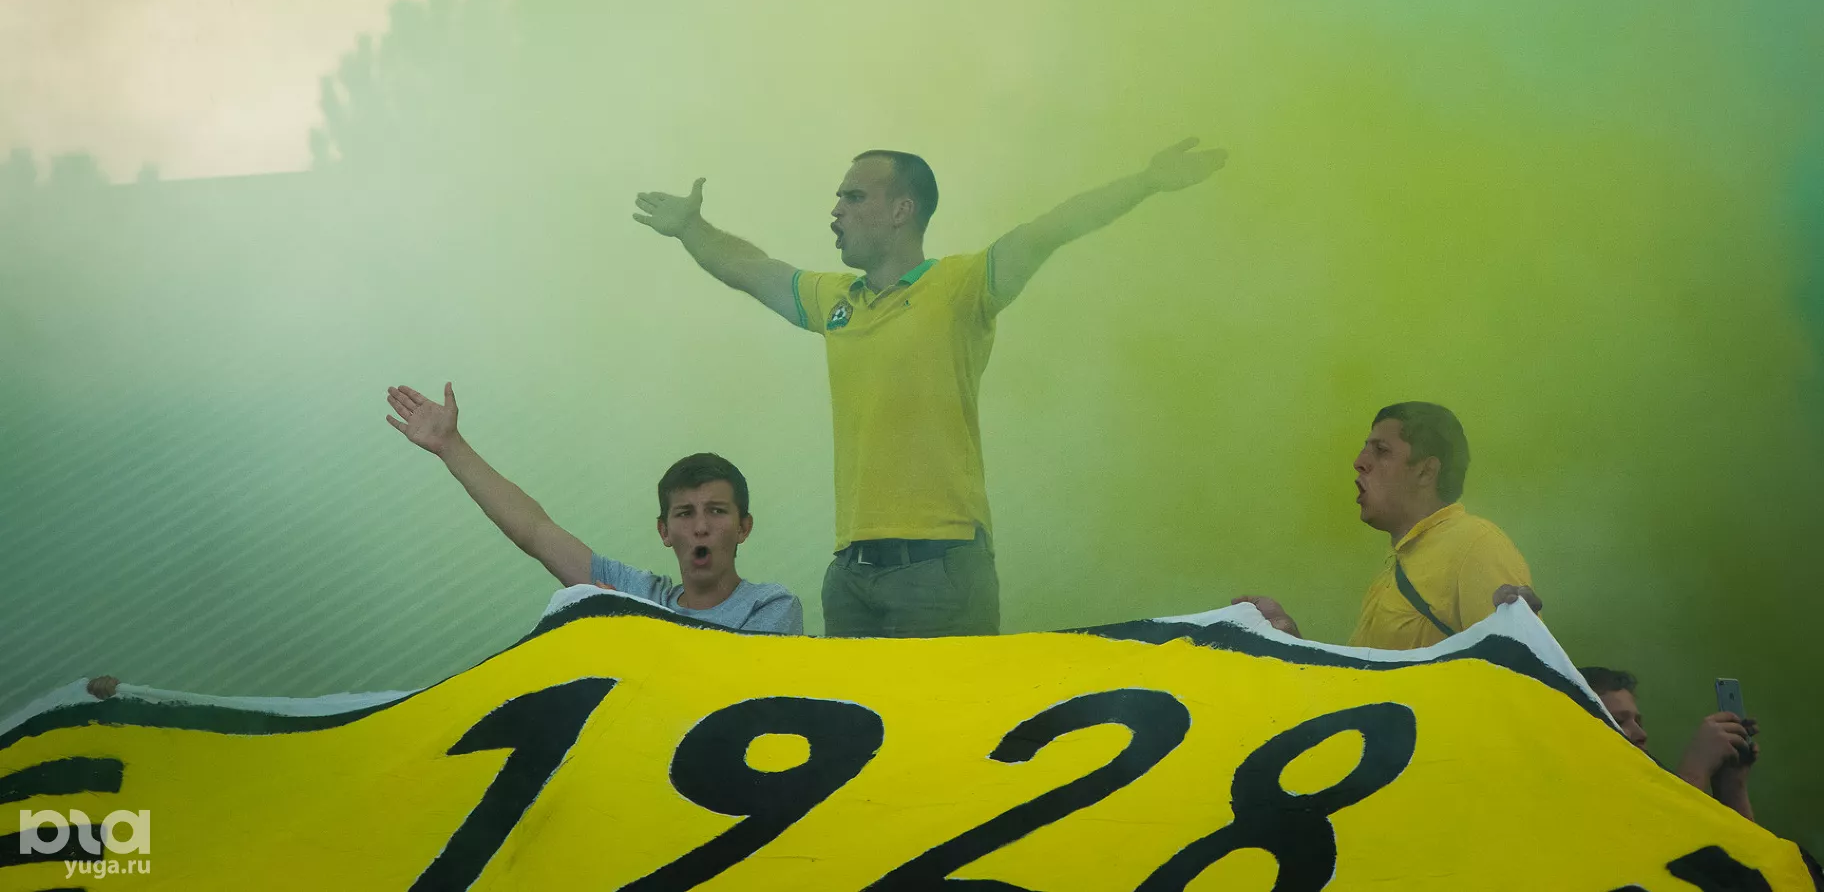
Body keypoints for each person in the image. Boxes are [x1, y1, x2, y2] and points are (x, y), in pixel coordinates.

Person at [633, 139, 1227, 637]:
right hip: (851, 574)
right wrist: (691, 228)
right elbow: (751, 268)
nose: (836, 210)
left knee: (947, 728)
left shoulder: (962, 285)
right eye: (839, 197)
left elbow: (1050, 229)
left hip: (940, 565)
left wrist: (1146, 182)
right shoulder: (834, 299)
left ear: (902, 210)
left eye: (854, 197)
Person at [384, 382, 801, 634]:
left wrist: (634, 625)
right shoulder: (639, 595)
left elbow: (738, 688)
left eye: (717, 511)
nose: (701, 527)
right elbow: (536, 531)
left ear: (744, 527)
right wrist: (451, 447)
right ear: (663, 531)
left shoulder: (771, 605)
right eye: (685, 513)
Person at [1234, 402, 1538, 649]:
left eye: (1381, 451)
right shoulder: (1391, 573)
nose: (1359, 462)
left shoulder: (1475, 544)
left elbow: (1516, 679)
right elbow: (1367, 687)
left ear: (1426, 471)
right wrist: (1288, 639)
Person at [1580, 666, 1760, 823]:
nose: (1642, 734)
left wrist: (1731, 786)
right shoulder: (1585, 799)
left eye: (1638, 723)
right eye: (1619, 721)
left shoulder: (1645, 791)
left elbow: (1745, 851)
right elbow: (1660, 839)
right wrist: (1695, 770)